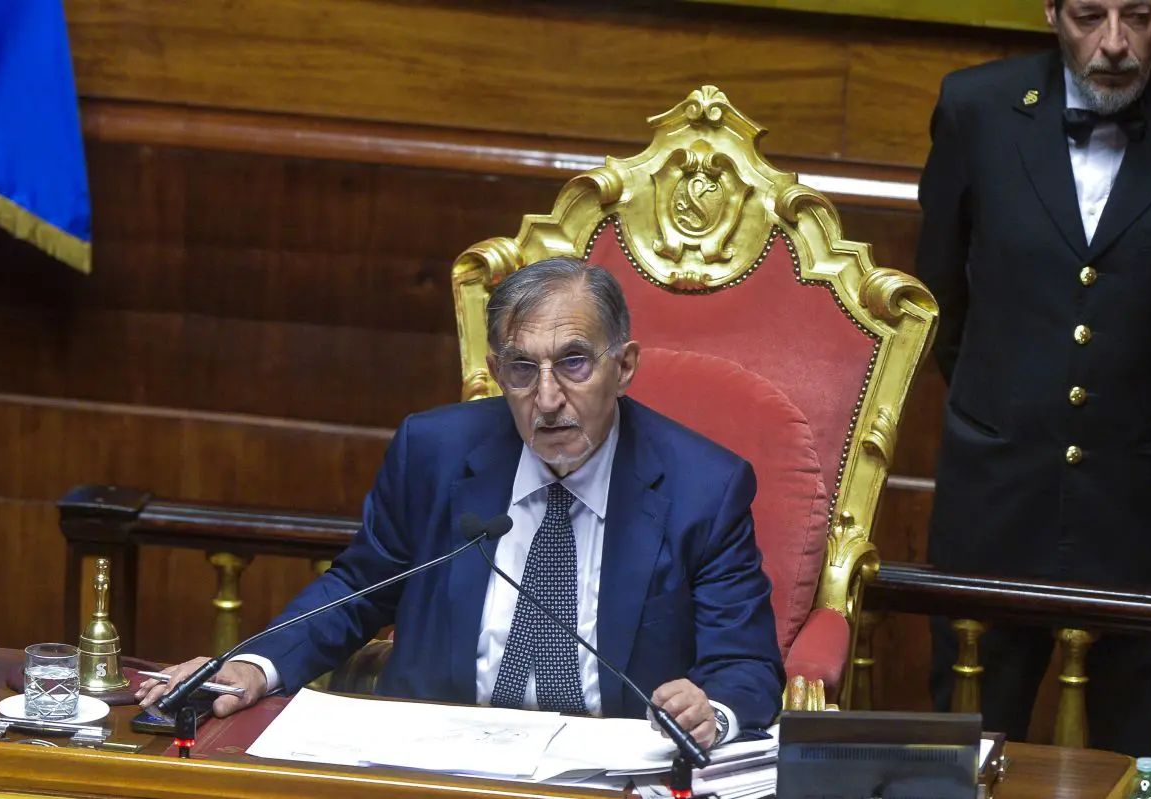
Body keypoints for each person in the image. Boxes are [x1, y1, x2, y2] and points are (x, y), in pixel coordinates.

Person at [139, 256, 785, 748]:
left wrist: (711, 711)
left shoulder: (703, 487)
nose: (548, 398)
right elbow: (360, 587)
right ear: (497, 372)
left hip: (608, 771)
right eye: (522, 369)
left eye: (574, 363)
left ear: (624, 367)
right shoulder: (434, 452)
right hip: (434, 759)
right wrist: (257, 665)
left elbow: (746, 666)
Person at [917, 0, 1151, 756]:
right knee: (968, 751)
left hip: (1142, 504)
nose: (1115, 42)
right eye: (1090, 16)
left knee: (1132, 763)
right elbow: (938, 299)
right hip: (996, 494)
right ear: (1051, 12)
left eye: (1139, 16)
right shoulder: (976, 107)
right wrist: (1010, 408)